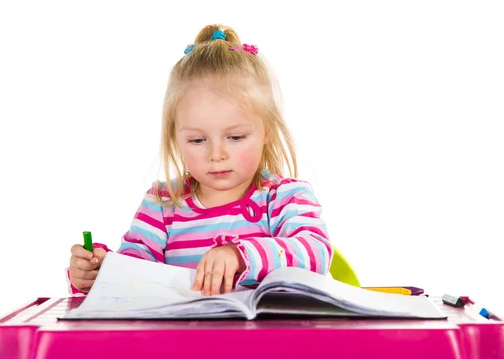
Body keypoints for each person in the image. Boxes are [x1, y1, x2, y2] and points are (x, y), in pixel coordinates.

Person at [68, 24, 332, 297]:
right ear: (175, 137)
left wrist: (242, 255)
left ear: (267, 131)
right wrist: (98, 274)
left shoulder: (285, 197)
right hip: (181, 341)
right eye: (197, 140)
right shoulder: (162, 204)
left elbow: (315, 254)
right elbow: (134, 278)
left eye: (236, 137)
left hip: (266, 341)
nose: (217, 154)